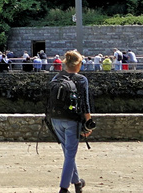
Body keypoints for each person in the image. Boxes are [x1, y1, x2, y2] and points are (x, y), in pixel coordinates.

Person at [45, 50, 92, 193]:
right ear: (78, 64)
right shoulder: (81, 79)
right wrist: (88, 124)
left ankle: (77, 183)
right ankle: (63, 188)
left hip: (55, 119)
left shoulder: (55, 78)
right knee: (70, 154)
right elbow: (85, 104)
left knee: (68, 153)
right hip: (72, 120)